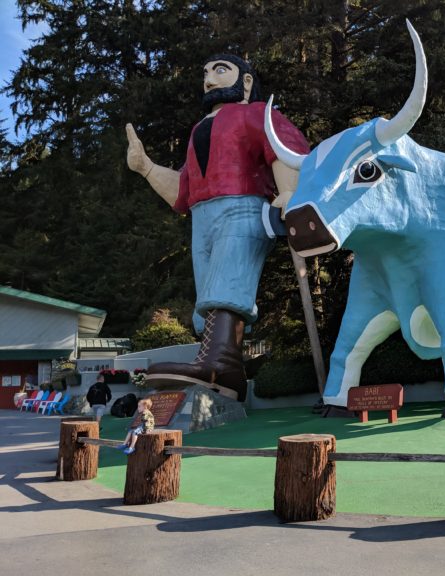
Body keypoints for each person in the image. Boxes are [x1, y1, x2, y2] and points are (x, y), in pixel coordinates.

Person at [126, 54, 309, 402]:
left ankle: (219, 361)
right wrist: (147, 168)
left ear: (247, 82)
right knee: (208, 289)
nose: (209, 78)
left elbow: (284, 149)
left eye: (220, 70)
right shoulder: (199, 130)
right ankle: (226, 369)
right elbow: (182, 190)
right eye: (205, 72)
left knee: (228, 278)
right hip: (201, 216)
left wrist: (288, 192)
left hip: (244, 205)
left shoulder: (257, 114)